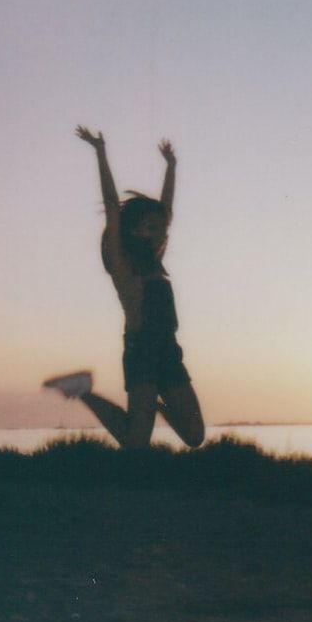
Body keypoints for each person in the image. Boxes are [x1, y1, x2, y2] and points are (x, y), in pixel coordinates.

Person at [42, 127, 205, 450]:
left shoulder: (156, 263)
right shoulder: (122, 266)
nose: (159, 232)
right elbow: (112, 207)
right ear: (133, 231)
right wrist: (100, 152)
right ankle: (82, 390)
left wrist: (171, 168)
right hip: (141, 352)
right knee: (134, 444)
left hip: (168, 352)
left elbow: (166, 211)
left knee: (195, 437)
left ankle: (156, 406)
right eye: (151, 227)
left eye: (160, 228)